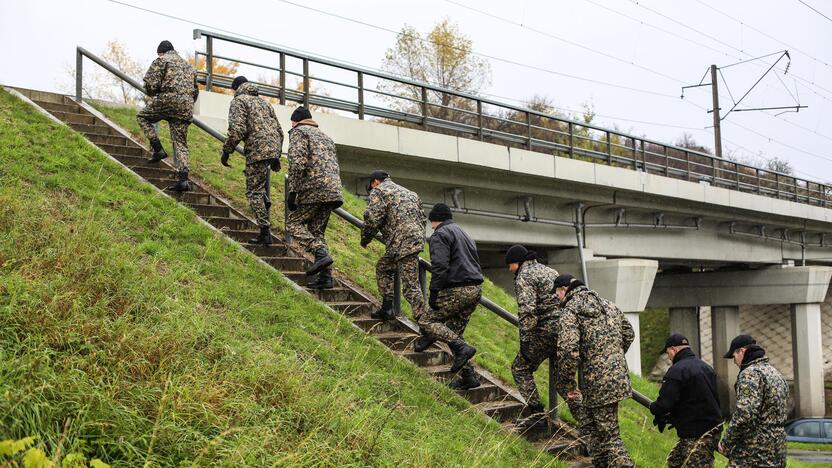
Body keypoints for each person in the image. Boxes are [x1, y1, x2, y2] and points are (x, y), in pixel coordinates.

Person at [555, 273, 635, 467]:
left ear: (564, 289)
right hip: (618, 378)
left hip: (596, 381)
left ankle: (623, 464)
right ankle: (602, 463)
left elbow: (567, 349)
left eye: (556, 293)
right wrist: (612, 357)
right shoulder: (609, 305)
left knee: (609, 434)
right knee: (590, 426)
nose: (556, 298)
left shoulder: (571, 311)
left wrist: (567, 383)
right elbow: (629, 333)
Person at [504, 244, 574, 431]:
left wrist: (525, 341)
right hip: (565, 331)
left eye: (509, 265)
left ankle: (537, 415)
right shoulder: (550, 271)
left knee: (520, 368)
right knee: (564, 381)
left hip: (545, 332)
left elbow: (527, 311)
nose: (509, 269)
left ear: (517, 263)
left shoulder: (524, 277)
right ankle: (586, 423)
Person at [415, 203, 482, 388]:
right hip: (475, 289)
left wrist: (434, 292)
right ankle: (469, 377)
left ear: (434, 220)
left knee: (426, 321)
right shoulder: (463, 233)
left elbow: (440, 266)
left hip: (457, 288)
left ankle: (461, 348)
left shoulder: (440, 235)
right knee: (454, 332)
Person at [220, 76, 283, 246]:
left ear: (235, 88)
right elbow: (279, 130)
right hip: (272, 149)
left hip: (257, 151)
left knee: (253, 192)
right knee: (259, 186)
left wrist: (227, 151)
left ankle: (265, 232)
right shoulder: (265, 103)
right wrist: (276, 154)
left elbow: (237, 129)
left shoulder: (239, 101)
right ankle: (265, 202)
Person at [360, 171, 428, 326]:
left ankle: (426, 323)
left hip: (400, 242)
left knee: (410, 286)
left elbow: (372, 219)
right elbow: (423, 218)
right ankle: (387, 308)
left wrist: (365, 239)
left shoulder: (379, 191)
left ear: (375, 181)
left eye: (371, 185)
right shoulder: (410, 193)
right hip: (414, 240)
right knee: (384, 267)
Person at [285, 105, 343, 289]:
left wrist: (293, 191)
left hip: (313, 189)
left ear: (295, 122)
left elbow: (297, 162)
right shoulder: (326, 137)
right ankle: (326, 278)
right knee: (317, 232)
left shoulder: (299, 133)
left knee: (293, 224)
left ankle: (320, 253)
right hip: (332, 190)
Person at [650, 334, 723, 468]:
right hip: (712, 429)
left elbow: (664, 403)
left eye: (668, 353)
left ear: (673, 349)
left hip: (697, 434)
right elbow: (697, 398)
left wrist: (655, 409)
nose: (669, 357)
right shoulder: (706, 367)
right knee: (675, 461)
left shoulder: (677, 371)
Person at [137, 40, 199, 192]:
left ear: (161, 52)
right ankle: (183, 179)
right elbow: (195, 91)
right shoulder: (190, 67)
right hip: (186, 106)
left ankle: (158, 149)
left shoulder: (162, 60)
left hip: (167, 100)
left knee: (142, 117)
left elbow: (150, 85)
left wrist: (155, 93)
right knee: (181, 143)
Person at [718, 335, 788, 467]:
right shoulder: (776, 373)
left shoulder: (750, 374)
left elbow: (745, 414)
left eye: (734, 356)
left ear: (742, 351)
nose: (734, 361)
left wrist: (726, 443)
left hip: (754, 450)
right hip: (778, 448)